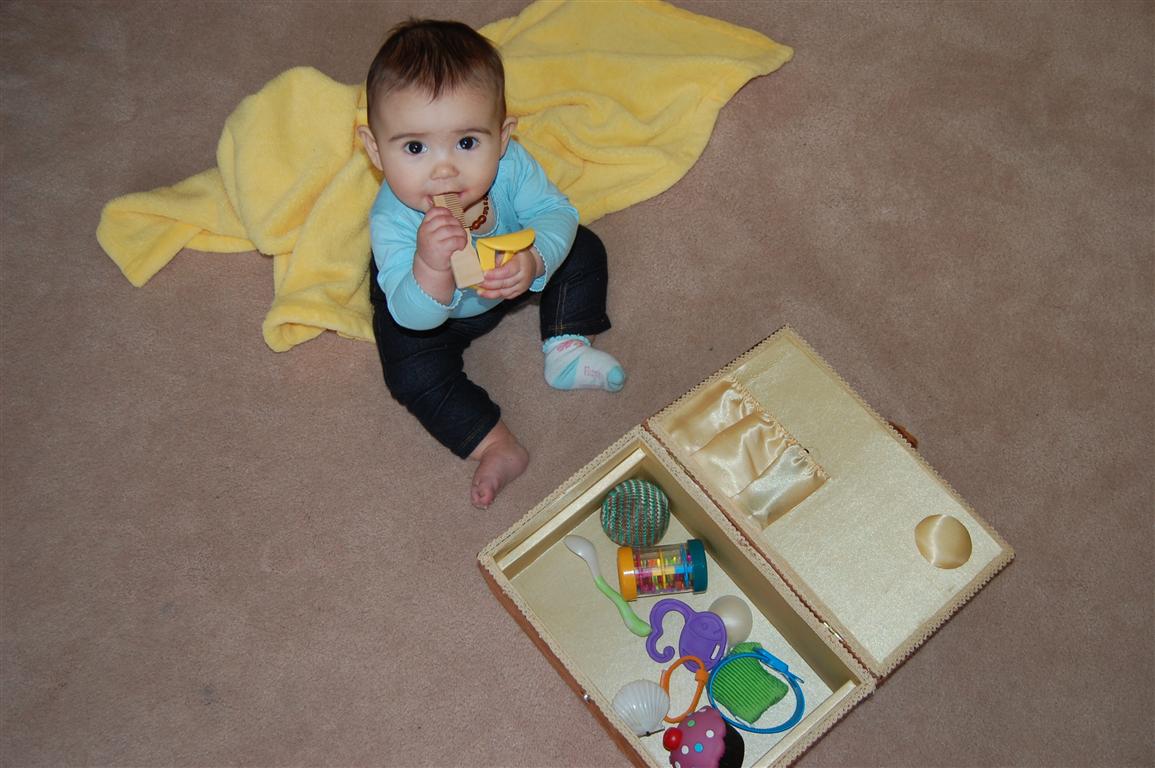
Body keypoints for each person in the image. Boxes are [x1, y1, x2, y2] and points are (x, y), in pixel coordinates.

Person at [356, 19, 626, 509]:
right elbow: (415, 314)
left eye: (466, 143)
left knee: (583, 248)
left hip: (509, 272)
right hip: (430, 307)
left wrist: (535, 258)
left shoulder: (512, 165)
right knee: (409, 372)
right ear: (375, 150)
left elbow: (557, 213)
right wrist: (431, 265)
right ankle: (496, 444)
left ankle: (565, 346)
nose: (444, 169)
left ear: (502, 138)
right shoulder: (392, 221)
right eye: (415, 147)